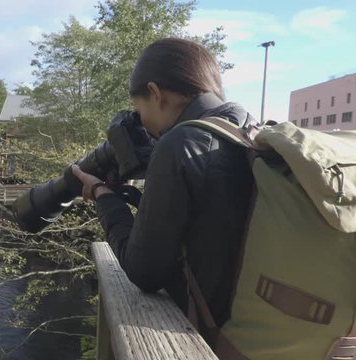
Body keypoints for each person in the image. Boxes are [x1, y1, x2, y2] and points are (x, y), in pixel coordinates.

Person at [72, 37, 256, 328]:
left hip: (211, 338)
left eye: (140, 108)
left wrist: (102, 193)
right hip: (257, 324)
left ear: (156, 93)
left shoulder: (179, 144)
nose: (142, 121)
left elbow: (144, 271)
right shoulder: (246, 127)